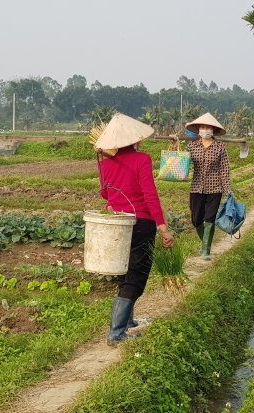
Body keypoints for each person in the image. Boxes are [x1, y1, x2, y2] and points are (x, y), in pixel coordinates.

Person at [95, 113, 174, 346]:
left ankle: (127, 322)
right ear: (134, 139)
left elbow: (105, 194)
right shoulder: (142, 159)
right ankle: (116, 332)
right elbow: (150, 194)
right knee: (136, 275)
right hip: (141, 222)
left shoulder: (106, 163)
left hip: (118, 223)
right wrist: (163, 227)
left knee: (124, 271)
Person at [185, 113, 231, 260]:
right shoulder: (192, 146)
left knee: (209, 218)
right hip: (196, 187)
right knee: (196, 220)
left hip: (215, 188)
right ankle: (205, 242)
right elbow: (180, 160)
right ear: (198, 129)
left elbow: (224, 169)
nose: (205, 129)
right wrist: (174, 143)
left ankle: (206, 250)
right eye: (202, 127)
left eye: (208, 127)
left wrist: (227, 190)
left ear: (213, 129)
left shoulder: (220, 147)